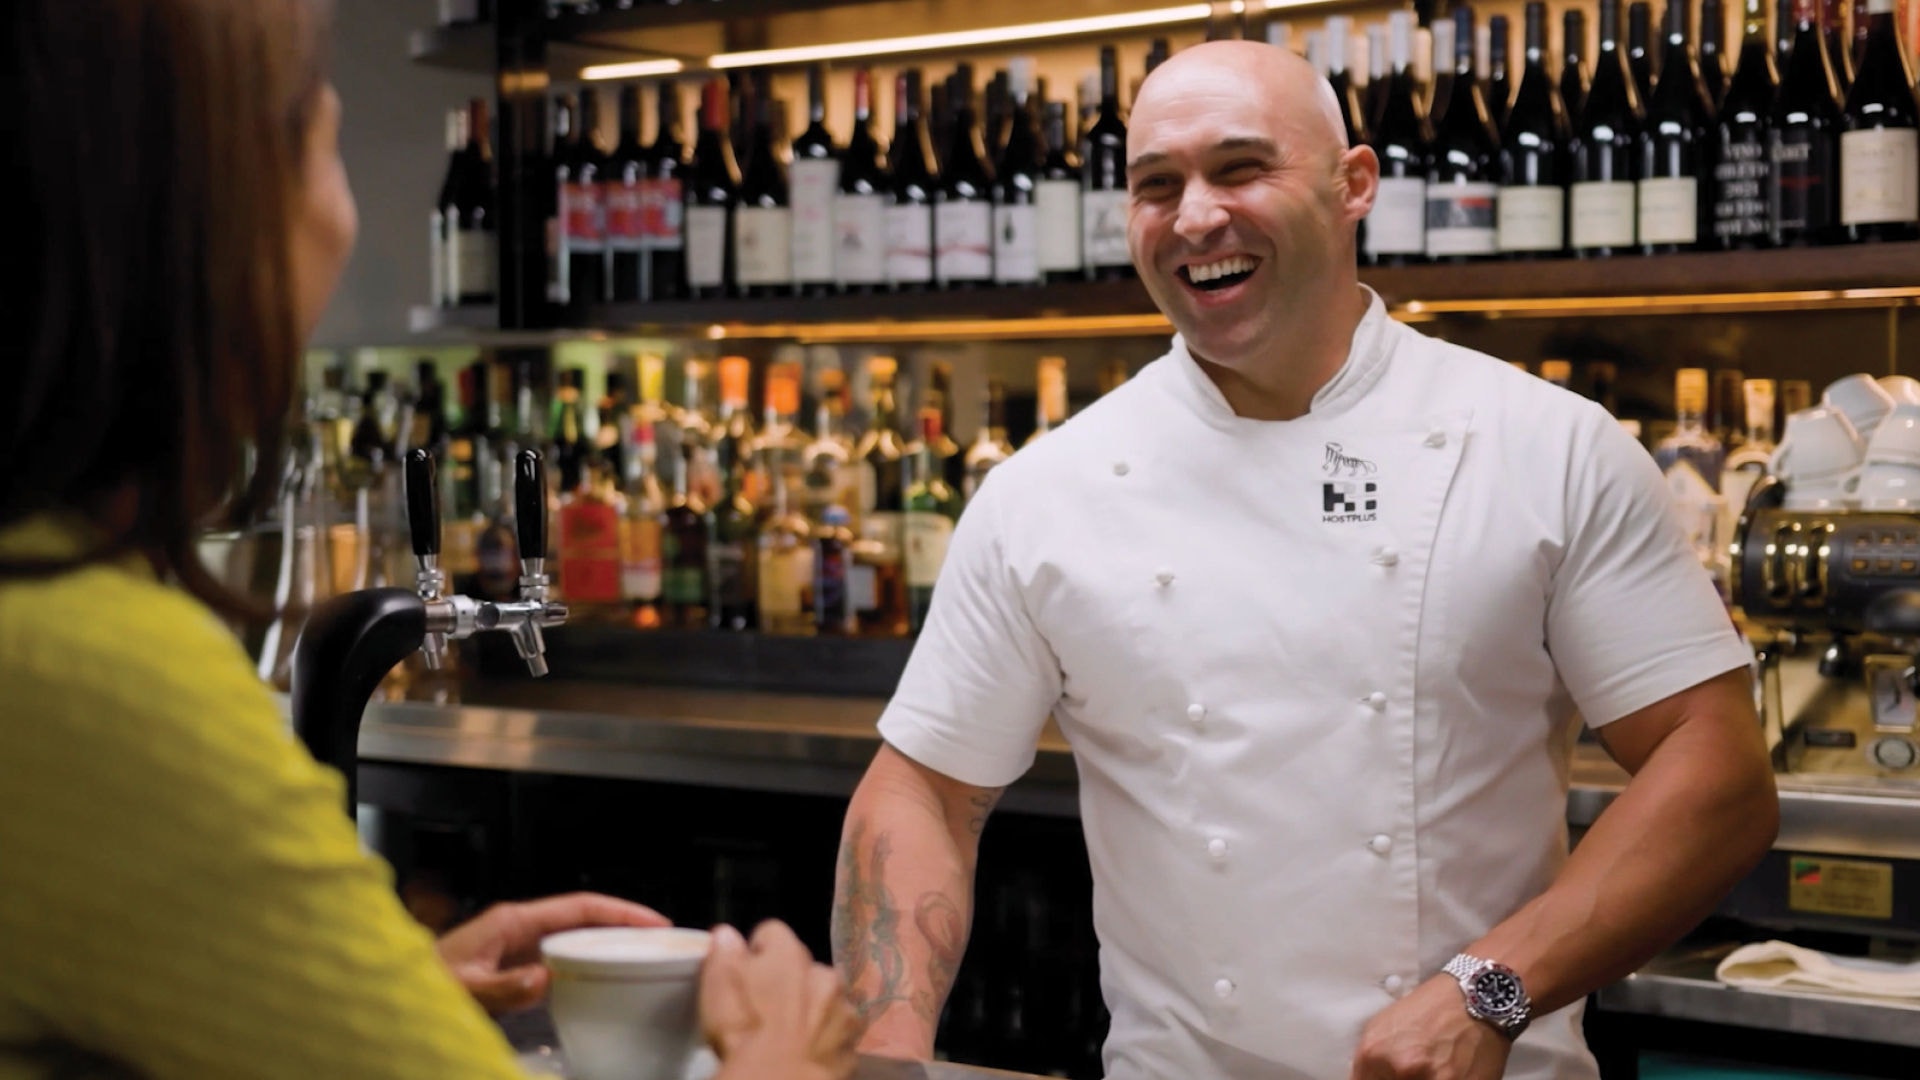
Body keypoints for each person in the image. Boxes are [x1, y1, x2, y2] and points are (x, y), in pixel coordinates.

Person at [831, 39, 1779, 1080]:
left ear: (1353, 184)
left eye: (1239, 169)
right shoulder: (1045, 492)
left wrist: (1490, 989)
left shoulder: (1543, 446)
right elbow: (922, 789)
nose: (1195, 217)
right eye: (1157, 186)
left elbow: (1715, 768)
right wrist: (882, 1047)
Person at [0, 2, 854, 1078]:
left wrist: (342, 994)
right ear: (210, 214)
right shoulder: (99, 678)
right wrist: (782, 1056)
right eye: (321, 136)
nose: (349, 220)